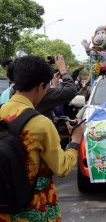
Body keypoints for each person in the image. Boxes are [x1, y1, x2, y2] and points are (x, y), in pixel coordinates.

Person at [0, 55, 84, 221]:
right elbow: (62, 168)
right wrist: (75, 140)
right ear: (41, 87)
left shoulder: (2, 110)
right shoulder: (40, 124)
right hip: (36, 209)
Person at [36, 55, 78, 121]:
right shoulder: (42, 94)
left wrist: (54, 85)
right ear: (41, 85)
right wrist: (63, 71)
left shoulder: (29, 92)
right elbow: (72, 90)